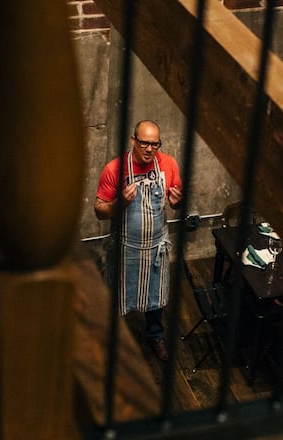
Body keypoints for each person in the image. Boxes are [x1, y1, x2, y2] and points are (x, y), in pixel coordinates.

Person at [95, 120, 183, 361]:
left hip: (155, 247)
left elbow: (175, 201)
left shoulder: (168, 164)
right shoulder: (115, 169)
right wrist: (119, 203)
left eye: (155, 144)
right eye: (144, 143)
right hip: (126, 247)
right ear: (133, 140)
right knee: (117, 295)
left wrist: (177, 202)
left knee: (155, 297)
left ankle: (155, 336)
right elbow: (99, 211)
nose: (149, 149)